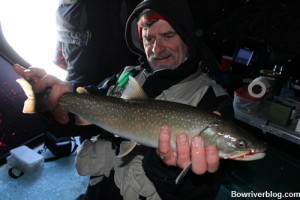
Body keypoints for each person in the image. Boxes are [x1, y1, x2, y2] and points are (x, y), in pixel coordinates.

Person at [14, 0, 234, 199]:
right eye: (149, 38)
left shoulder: (213, 101)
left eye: (168, 36)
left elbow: (202, 192)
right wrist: (51, 100)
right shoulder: (126, 76)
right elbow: (73, 124)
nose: (157, 48)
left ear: (186, 37)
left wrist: (165, 168)